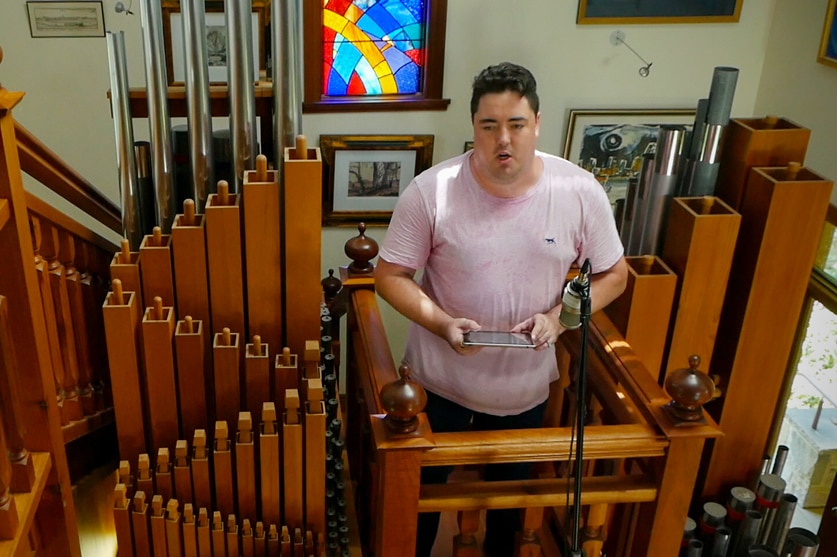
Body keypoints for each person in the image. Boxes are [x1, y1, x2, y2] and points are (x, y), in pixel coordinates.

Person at [375, 62, 628, 557]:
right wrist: (442, 323)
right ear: (474, 129)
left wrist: (560, 319)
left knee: (509, 512)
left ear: (537, 123)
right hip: (437, 385)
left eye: (515, 124)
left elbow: (614, 276)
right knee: (419, 507)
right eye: (489, 126)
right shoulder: (432, 191)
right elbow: (389, 277)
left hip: (523, 390)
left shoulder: (579, 192)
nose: (503, 139)